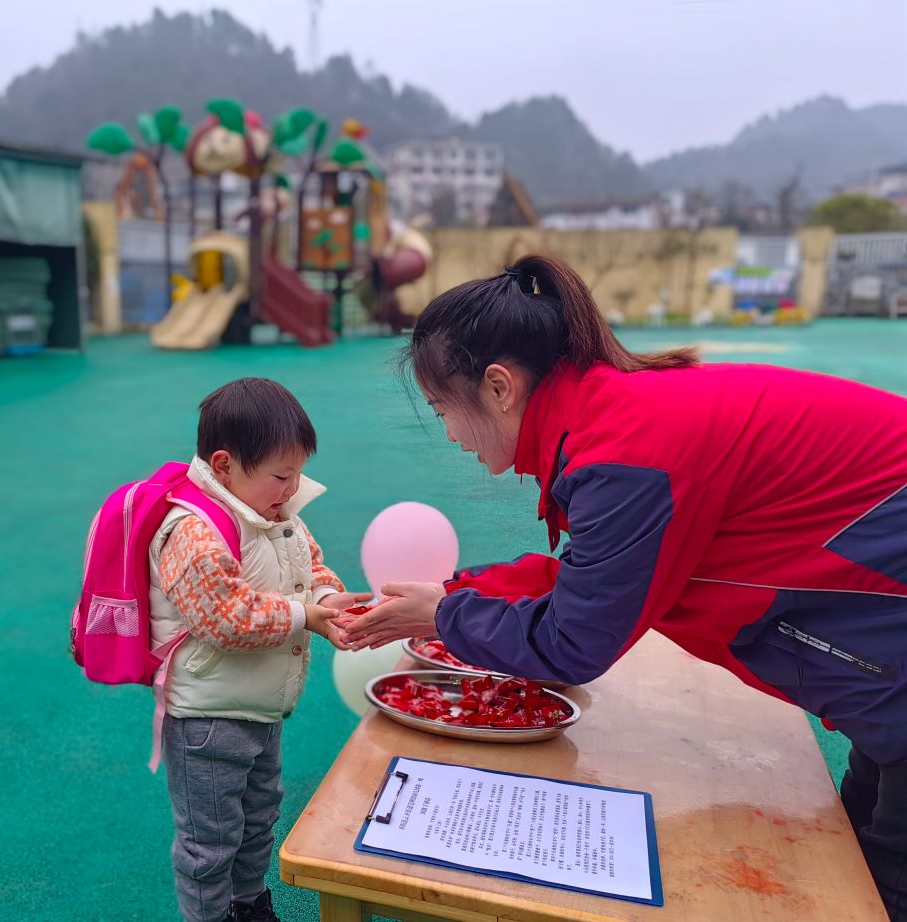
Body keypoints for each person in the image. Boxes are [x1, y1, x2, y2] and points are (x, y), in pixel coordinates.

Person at [338, 255, 907, 920]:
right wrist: (451, 593)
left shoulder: (624, 453)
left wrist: (447, 614)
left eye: (443, 409)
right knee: (857, 855)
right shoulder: (613, 419)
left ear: (498, 387)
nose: (449, 434)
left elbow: (574, 640)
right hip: (879, 659)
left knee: (882, 885)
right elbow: (598, 578)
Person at [153, 378, 366, 922]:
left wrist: (329, 598)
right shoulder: (192, 531)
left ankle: (248, 904)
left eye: (296, 473)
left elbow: (309, 566)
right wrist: (306, 617)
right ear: (224, 466)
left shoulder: (276, 515)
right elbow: (223, 618)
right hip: (207, 720)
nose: (292, 488)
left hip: (260, 709)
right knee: (210, 841)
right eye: (281, 475)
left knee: (257, 819)